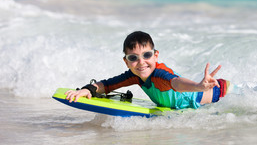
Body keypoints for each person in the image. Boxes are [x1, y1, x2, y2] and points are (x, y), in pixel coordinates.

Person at [65, 31, 239, 109]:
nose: (141, 62)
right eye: (133, 58)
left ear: (156, 56)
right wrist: (86, 90)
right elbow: (108, 85)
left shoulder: (158, 74)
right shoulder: (134, 76)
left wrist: (199, 86)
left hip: (222, 94)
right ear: (126, 62)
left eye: (146, 55)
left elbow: (176, 83)